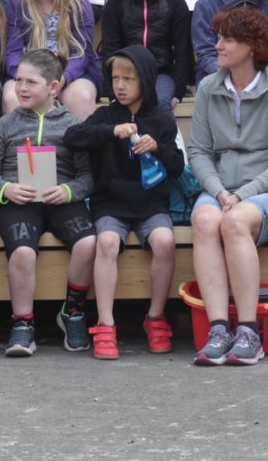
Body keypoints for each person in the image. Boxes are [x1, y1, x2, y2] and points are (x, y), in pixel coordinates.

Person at [188, 6, 268, 366]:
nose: (217, 46)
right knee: (205, 220)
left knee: (235, 221)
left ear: (252, 46)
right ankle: (218, 330)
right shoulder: (209, 88)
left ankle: (250, 333)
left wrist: (242, 195)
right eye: (218, 37)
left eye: (227, 39)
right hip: (223, 188)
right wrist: (220, 191)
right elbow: (199, 151)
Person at [0, 49, 97, 356]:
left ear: (54, 87)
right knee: (22, 253)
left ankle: (73, 312)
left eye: (31, 82)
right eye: (18, 80)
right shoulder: (6, 124)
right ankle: (23, 323)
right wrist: (6, 189)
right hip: (19, 202)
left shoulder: (73, 124)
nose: (21, 88)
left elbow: (88, 176)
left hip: (61, 200)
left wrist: (68, 191)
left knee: (88, 243)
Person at [65, 46, 181, 359]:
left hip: (151, 203)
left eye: (129, 79)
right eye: (115, 78)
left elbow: (177, 167)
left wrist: (158, 148)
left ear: (146, 80)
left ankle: (155, 317)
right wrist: (110, 132)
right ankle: (105, 324)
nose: (120, 85)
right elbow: (73, 137)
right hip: (111, 202)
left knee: (165, 242)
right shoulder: (105, 115)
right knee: (106, 243)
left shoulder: (162, 120)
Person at [2, 0, 101, 120]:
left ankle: (78, 140)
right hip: (28, 71)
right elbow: (13, 52)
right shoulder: (17, 3)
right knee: (11, 97)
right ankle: (22, 139)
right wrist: (27, 79)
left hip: (71, 72)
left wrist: (62, 79)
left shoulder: (79, 4)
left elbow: (82, 53)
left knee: (81, 96)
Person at [101, 0, 194, 109]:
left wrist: (179, 90)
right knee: (123, 105)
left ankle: (163, 128)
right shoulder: (116, 3)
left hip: (160, 74)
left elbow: (183, 49)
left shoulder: (174, 3)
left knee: (160, 103)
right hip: (124, 75)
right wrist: (110, 91)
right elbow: (109, 50)